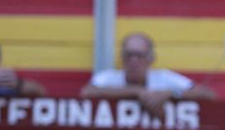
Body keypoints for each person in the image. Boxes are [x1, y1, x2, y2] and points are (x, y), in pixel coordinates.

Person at [82, 31, 215, 117]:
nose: (134, 61)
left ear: (151, 59)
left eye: (140, 56)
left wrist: (170, 94)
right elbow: (87, 92)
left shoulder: (163, 77)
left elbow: (207, 94)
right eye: (129, 55)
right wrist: (137, 92)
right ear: (122, 58)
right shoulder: (109, 77)